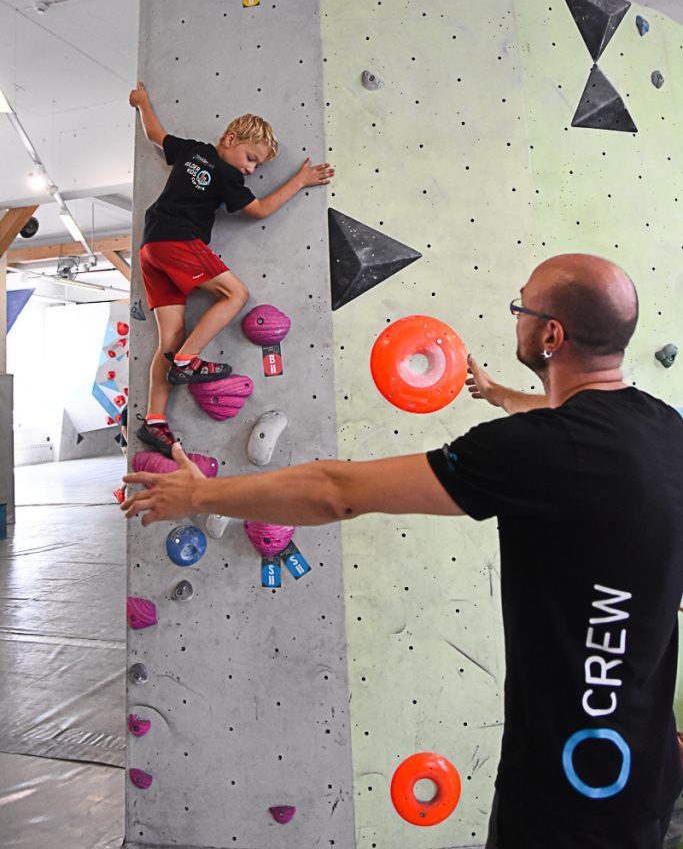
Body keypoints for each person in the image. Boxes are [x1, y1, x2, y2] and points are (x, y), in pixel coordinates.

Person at [121, 253, 683, 848]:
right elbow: (568, 427)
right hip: (648, 767)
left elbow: (336, 491)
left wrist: (201, 494)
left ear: (550, 335)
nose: (513, 316)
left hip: (565, 801)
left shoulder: (534, 451)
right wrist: (498, 395)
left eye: (521, 306)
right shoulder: (664, 430)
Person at [129, 82, 333, 457]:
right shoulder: (228, 176)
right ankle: (189, 362)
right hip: (178, 241)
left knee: (169, 341)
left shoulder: (191, 150)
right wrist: (299, 181)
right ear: (231, 137)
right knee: (235, 293)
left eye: (256, 165)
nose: (251, 169)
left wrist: (142, 104)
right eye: (251, 158)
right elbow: (259, 210)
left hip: (150, 249)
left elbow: (156, 135)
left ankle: (155, 421)